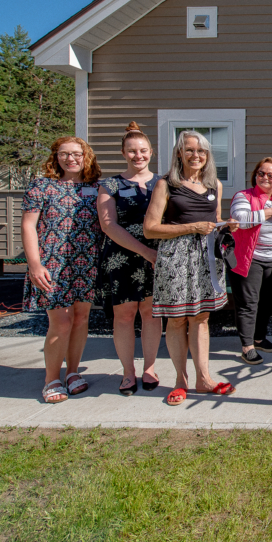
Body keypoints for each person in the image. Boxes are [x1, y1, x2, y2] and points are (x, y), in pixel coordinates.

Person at [144, 130, 235, 405]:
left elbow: (214, 218)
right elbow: (149, 229)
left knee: (201, 318)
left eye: (202, 151)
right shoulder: (166, 185)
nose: (197, 155)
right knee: (177, 319)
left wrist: (226, 224)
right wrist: (191, 228)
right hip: (175, 257)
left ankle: (204, 379)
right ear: (179, 154)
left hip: (206, 257)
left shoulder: (214, 185)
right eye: (190, 150)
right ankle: (180, 380)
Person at [22, 137, 102, 404]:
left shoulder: (97, 187)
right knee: (61, 322)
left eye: (77, 154)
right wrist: (35, 264)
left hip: (87, 261)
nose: (71, 159)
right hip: (52, 264)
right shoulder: (41, 186)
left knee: (80, 319)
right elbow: (28, 226)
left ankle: (73, 372)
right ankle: (51, 379)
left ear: (86, 156)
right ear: (55, 157)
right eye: (65, 154)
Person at [96, 122, 162, 396]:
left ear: (151, 152)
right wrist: (145, 251)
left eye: (143, 150)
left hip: (158, 257)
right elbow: (108, 225)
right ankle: (127, 371)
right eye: (132, 151)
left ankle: (150, 367)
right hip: (122, 257)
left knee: (150, 313)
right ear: (123, 153)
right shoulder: (110, 184)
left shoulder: (163, 183)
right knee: (124, 315)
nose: (138, 156)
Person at [229, 157, 272, 364]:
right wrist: (269, 212)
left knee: (266, 302)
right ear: (255, 175)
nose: (265, 177)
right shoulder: (243, 196)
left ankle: (259, 338)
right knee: (248, 304)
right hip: (250, 259)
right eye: (261, 173)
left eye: (270, 175)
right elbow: (240, 220)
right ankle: (247, 346)